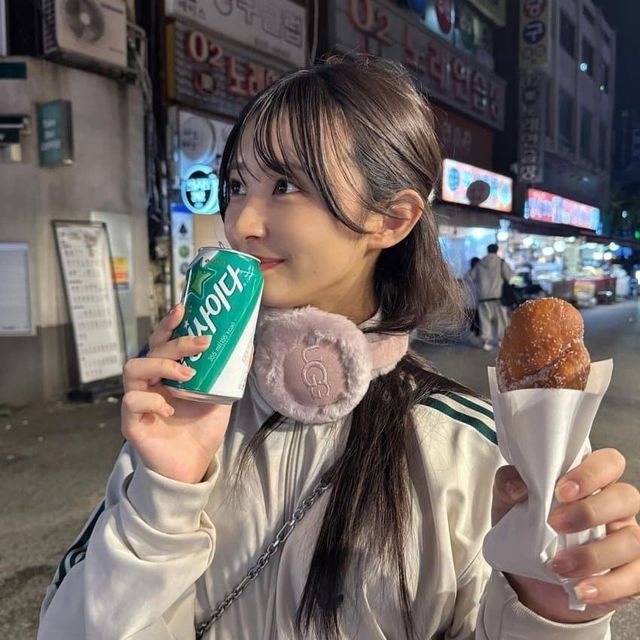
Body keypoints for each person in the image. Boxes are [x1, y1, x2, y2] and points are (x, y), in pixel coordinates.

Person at [38, 58, 640, 640]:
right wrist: (165, 492)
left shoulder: (476, 449)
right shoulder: (183, 413)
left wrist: (552, 613)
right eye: (237, 185)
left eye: (285, 185)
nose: (241, 223)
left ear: (392, 219)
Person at [471, 244, 514, 351]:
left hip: (483, 298)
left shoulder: (480, 263)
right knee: (501, 321)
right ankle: (501, 341)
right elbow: (509, 276)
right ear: (497, 250)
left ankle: (486, 342)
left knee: (485, 321)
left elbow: (471, 277)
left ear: (487, 250)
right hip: (498, 297)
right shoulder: (501, 262)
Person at [462, 256, 481, 339]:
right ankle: (476, 334)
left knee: (473, 320)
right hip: (477, 302)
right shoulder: (479, 273)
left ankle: (475, 333)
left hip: (470, 302)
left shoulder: (468, 274)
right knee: (477, 319)